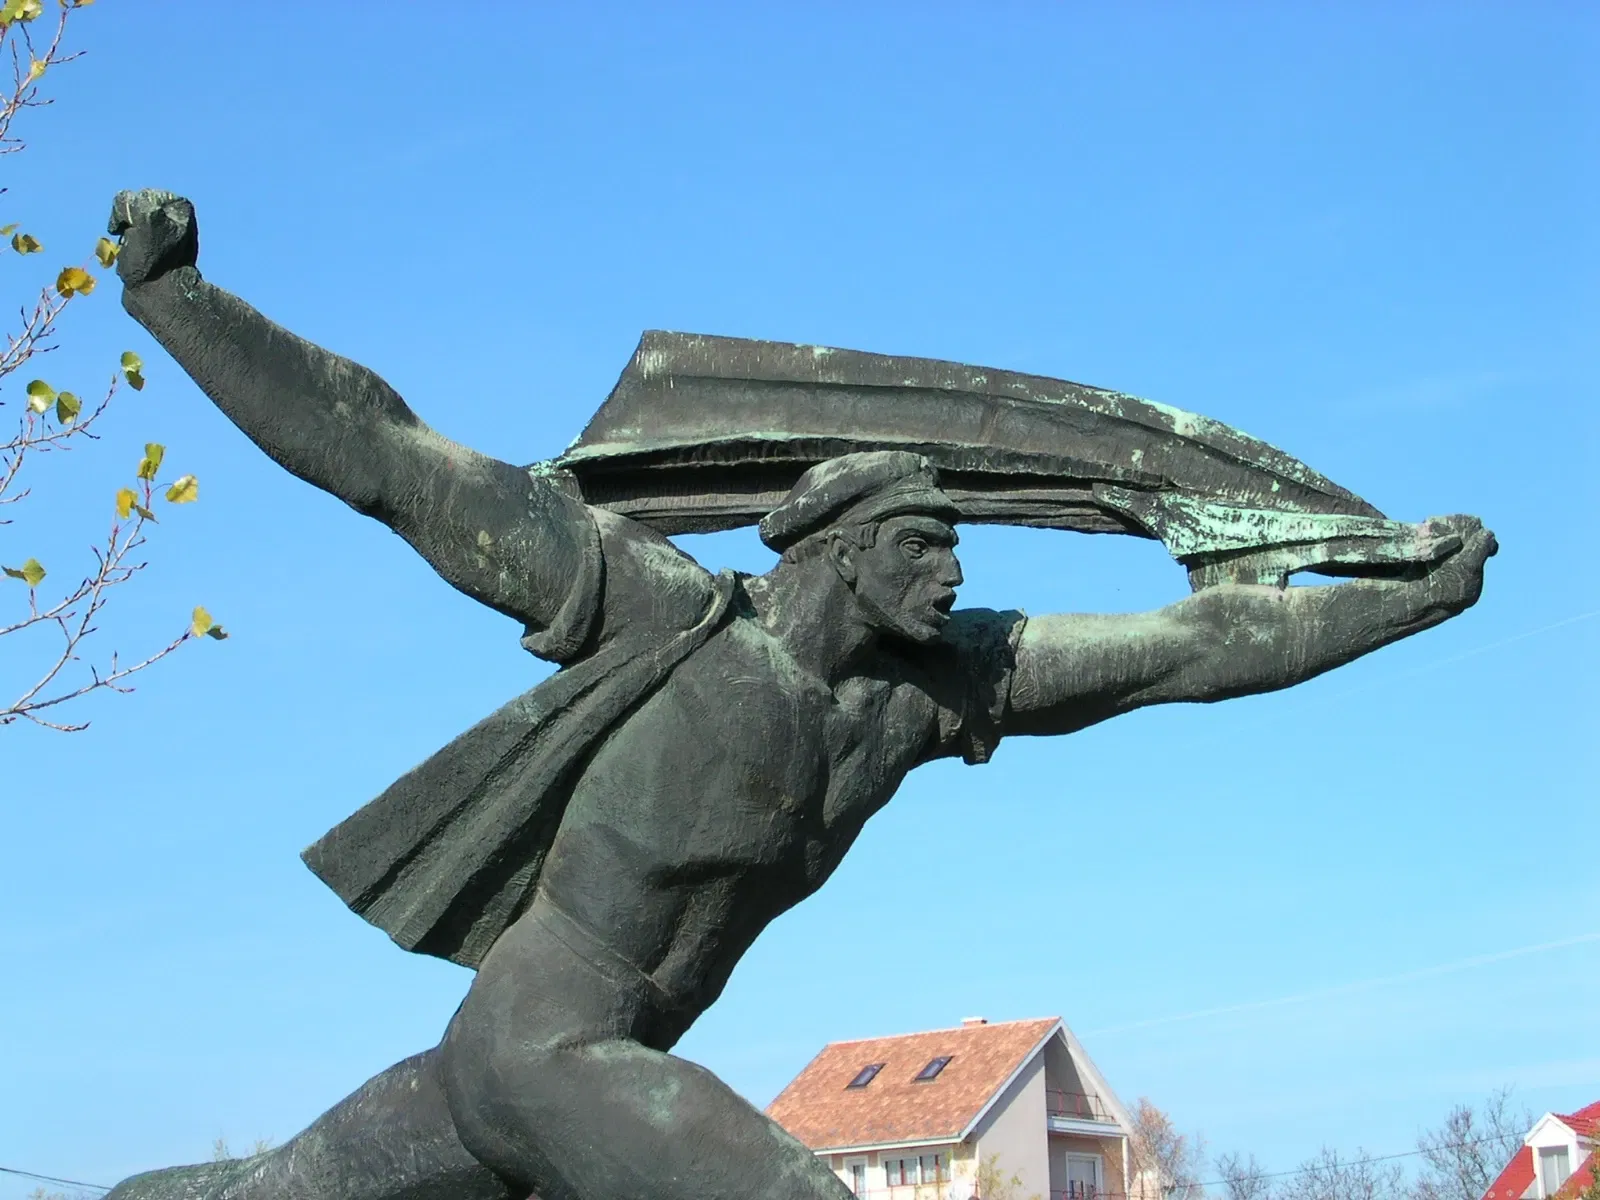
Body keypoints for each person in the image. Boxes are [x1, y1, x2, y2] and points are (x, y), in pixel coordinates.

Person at [102, 191, 1495, 1200]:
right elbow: (393, 459)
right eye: (922, 547)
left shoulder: (920, 698)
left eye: (955, 548)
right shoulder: (665, 610)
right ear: (834, 550)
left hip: (532, 1069)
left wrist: (1406, 601)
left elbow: (1186, 652)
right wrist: (178, 302)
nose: (953, 576)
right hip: (545, 1046)